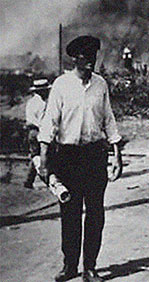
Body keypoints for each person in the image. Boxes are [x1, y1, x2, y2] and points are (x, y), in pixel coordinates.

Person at [38, 35, 123, 282]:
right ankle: (70, 265)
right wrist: (44, 157)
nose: (92, 63)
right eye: (87, 58)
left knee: (95, 212)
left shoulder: (100, 85)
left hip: (95, 155)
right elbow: (50, 122)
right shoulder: (61, 85)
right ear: (76, 58)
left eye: (94, 58)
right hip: (68, 157)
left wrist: (117, 155)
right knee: (70, 212)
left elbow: (109, 120)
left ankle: (90, 267)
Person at [23, 78, 51, 189]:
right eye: (44, 90)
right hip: (35, 131)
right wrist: (41, 126)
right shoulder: (33, 103)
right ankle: (46, 180)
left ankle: (29, 181)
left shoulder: (45, 102)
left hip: (43, 130)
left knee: (39, 155)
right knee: (37, 156)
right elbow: (30, 119)